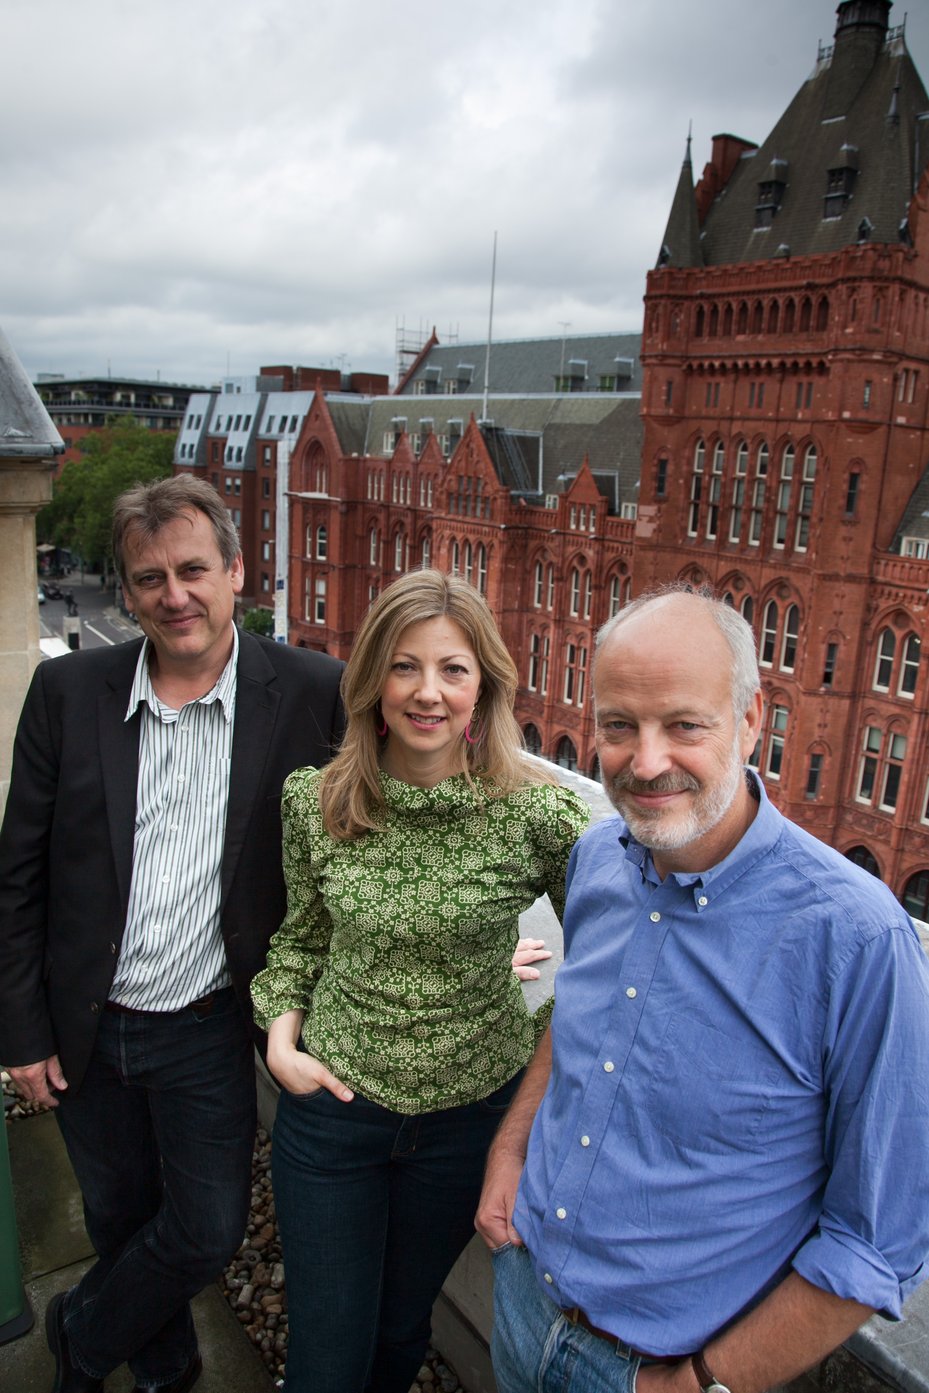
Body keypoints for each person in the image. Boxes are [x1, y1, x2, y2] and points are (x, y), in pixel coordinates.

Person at [477, 587, 929, 1393]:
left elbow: (877, 1239)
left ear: (751, 719)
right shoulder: (597, 858)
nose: (646, 762)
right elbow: (579, 1016)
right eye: (619, 725)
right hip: (523, 1302)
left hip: (662, 1371)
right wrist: (510, 1147)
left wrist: (699, 1384)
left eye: (684, 724)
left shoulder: (857, 939)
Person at [0, 476, 344, 1393]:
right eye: (150, 577)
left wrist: (462, 932)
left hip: (205, 1021)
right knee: (117, 1217)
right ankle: (165, 1368)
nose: (174, 594)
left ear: (236, 571)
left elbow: (391, 818)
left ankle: (80, 1330)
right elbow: (17, 875)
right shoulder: (67, 692)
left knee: (204, 1228)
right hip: (88, 1021)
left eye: (193, 569)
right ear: (127, 589)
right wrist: (23, 1034)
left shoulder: (312, 691)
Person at [250, 569, 590, 1393]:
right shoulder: (318, 800)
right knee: (326, 1361)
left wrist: (534, 1065)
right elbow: (300, 939)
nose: (427, 691)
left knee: (401, 1334)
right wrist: (280, 1041)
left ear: (485, 686)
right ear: (371, 678)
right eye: (404, 666)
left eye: (452, 669)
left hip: (467, 1121)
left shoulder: (536, 815)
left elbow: (621, 959)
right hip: (333, 1113)